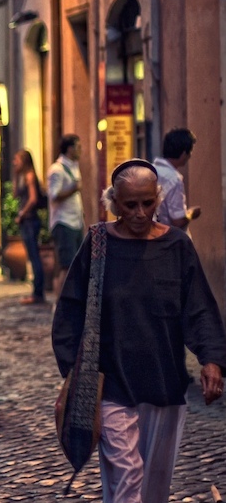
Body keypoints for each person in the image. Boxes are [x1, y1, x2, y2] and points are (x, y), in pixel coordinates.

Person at [52, 159, 226, 502]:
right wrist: (77, 373)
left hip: (165, 383)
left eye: (148, 202)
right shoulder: (98, 243)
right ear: (114, 203)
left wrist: (212, 360)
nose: (140, 212)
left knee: (154, 488)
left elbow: (199, 307)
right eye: (130, 204)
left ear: (158, 198)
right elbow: (70, 309)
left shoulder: (177, 246)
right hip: (111, 384)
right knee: (128, 476)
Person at [46, 134, 84, 294]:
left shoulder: (74, 166)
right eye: (78, 146)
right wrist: (73, 189)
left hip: (76, 221)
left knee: (75, 264)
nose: (80, 150)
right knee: (66, 265)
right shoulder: (57, 170)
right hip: (63, 222)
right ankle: (60, 302)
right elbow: (53, 195)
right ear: (69, 149)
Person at [12, 150, 46, 305]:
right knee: (32, 256)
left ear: (24, 161)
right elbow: (15, 195)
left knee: (34, 256)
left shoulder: (30, 176)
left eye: (17, 160)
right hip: (27, 221)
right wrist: (15, 175)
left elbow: (33, 199)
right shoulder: (22, 176)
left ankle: (38, 292)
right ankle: (36, 291)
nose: (14, 162)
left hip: (30, 220)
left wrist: (22, 214)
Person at [153, 128, 200, 232]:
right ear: (184, 153)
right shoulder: (173, 179)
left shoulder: (151, 171)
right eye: (190, 151)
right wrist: (192, 213)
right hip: (169, 239)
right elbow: (178, 220)